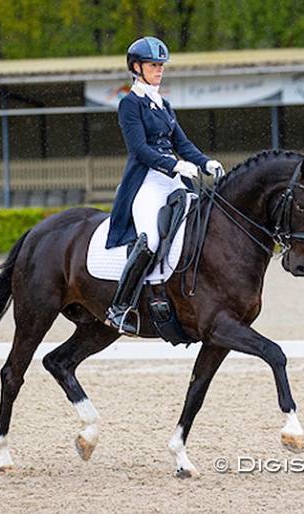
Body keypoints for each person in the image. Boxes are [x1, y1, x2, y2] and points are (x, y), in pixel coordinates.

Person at [104, 36, 225, 334]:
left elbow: (182, 144)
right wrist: (172, 164)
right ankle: (120, 308)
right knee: (151, 239)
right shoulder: (130, 104)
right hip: (146, 181)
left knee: (201, 223)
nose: (159, 70)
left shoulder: (163, 104)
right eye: (153, 65)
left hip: (173, 179)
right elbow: (139, 150)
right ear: (136, 67)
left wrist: (205, 162)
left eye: (161, 65)